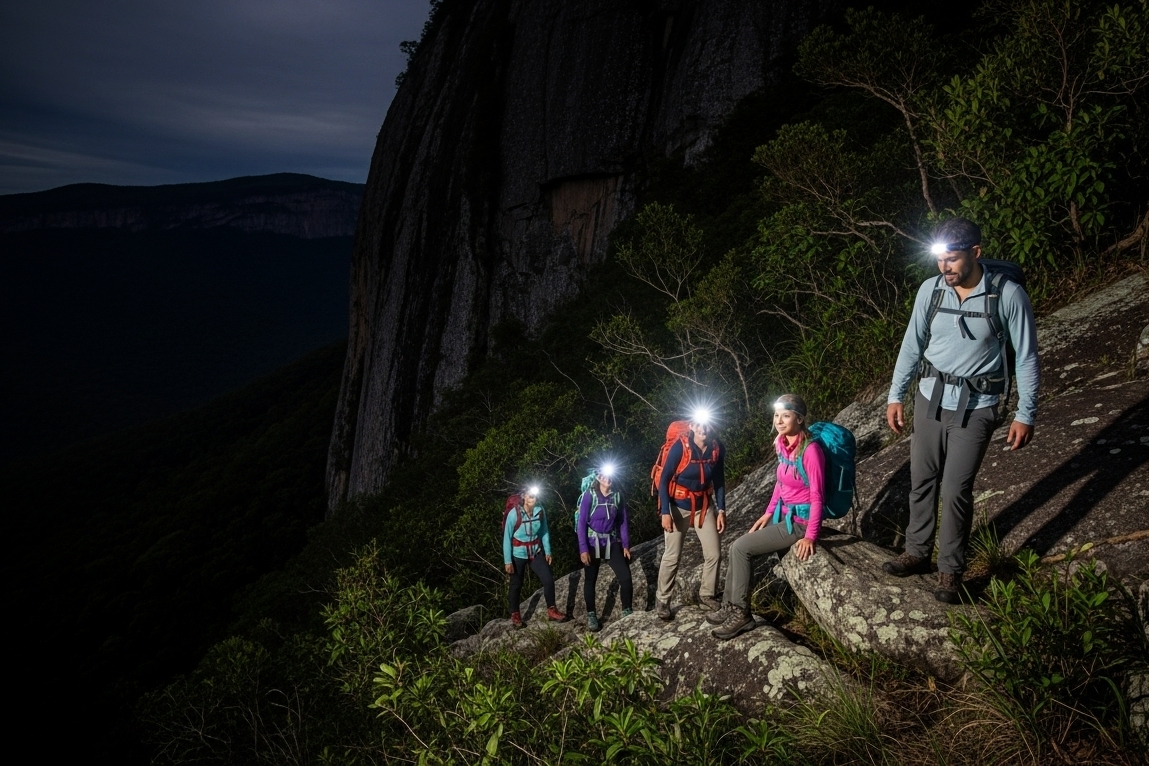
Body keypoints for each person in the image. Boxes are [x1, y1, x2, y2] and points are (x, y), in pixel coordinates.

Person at [884, 217, 1039, 603]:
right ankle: (917, 552)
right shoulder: (930, 291)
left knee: (955, 490)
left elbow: (1027, 356)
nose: (945, 268)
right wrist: (895, 395)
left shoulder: (1007, 295)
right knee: (921, 479)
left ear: (975, 253)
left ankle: (950, 570)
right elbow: (911, 344)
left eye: (952, 260)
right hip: (930, 397)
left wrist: (1026, 412)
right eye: (940, 260)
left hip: (978, 405)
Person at [708, 395, 823, 640]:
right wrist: (768, 512)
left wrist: (811, 536)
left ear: (799, 419)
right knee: (736, 546)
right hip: (782, 514)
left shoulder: (810, 451)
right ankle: (729, 603)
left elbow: (817, 496)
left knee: (740, 548)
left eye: (786, 415)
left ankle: (742, 615)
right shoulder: (782, 444)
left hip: (799, 522)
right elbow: (780, 485)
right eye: (776, 415)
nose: (779, 421)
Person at [655, 413, 726, 620]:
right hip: (678, 506)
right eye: (699, 425)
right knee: (672, 556)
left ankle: (707, 595)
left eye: (707, 425)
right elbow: (664, 479)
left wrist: (721, 510)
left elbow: (719, 480)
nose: (703, 429)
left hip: (703, 506)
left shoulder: (716, 447)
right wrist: (665, 512)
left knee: (714, 554)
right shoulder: (681, 446)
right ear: (692, 426)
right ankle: (663, 600)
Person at [576, 465, 634, 631]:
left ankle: (627, 611)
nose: (607, 479)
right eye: (604, 476)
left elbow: (622, 522)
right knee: (590, 579)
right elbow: (581, 523)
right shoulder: (589, 496)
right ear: (599, 478)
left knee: (625, 577)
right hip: (592, 542)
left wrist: (625, 545)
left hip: (611, 540)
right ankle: (591, 615)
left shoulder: (617, 497)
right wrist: (583, 549)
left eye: (610, 476)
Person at [504, 486, 567, 627]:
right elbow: (506, 538)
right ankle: (515, 615)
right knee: (516, 585)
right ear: (524, 497)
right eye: (530, 496)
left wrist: (548, 551)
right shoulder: (514, 514)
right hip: (518, 554)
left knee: (548, 580)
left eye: (535, 496)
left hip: (535, 552)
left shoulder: (540, 511)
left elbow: (544, 531)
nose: (533, 499)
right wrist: (508, 561)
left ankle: (552, 611)